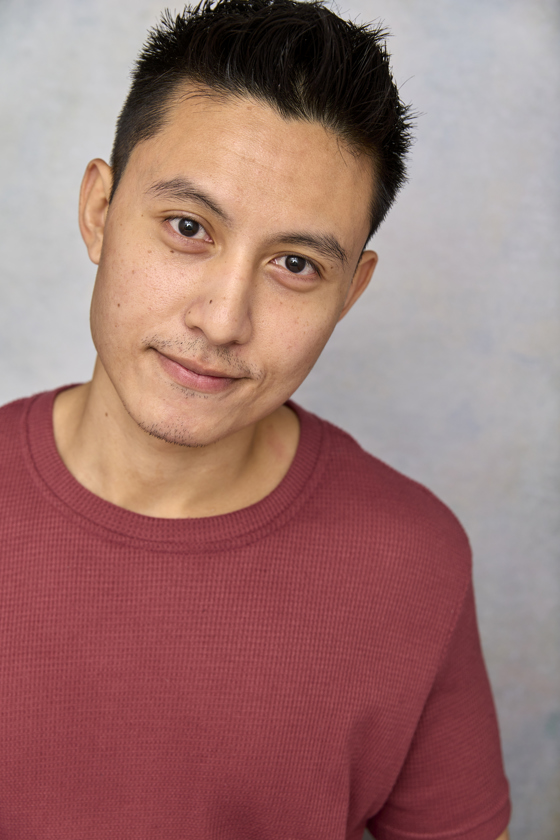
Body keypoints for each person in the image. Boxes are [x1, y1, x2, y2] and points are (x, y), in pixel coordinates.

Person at [0, 1, 511, 837]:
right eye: (188, 228)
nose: (224, 319)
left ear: (350, 292)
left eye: (295, 265)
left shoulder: (414, 562)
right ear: (99, 210)